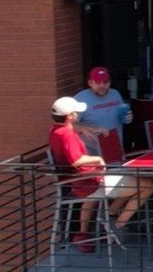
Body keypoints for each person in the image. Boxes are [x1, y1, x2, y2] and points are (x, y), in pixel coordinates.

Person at [49, 95, 146, 251]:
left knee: (129, 177)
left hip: (79, 181)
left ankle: (86, 231)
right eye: (75, 112)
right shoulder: (67, 134)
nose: (77, 114)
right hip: (90, 182)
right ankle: (115, 221)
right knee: (146, 186)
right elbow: (76, 160)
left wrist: (90, 129)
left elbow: (75, 128)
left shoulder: (56, 130)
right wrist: (98, 159)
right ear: (70, 116)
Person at [72, 66, 132, 165]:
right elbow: (69, 125)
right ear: (90, 83)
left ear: (110, 82)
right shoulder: (79, 99)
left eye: (105, 82)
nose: (102, 85)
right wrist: (95, 129)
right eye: (98, 82)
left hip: (115, 152)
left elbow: (123, 117)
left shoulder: (115, 94)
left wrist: (128, 118)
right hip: (92, 157)